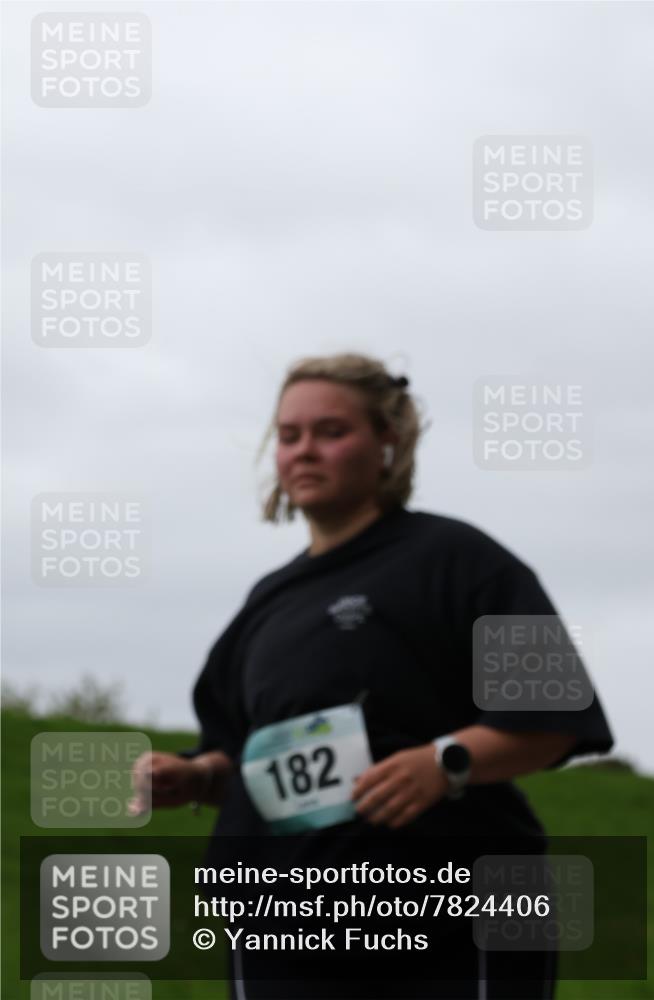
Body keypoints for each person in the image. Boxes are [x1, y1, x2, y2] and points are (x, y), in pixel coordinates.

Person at [131, 353, 614, 1000]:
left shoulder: (460, 561)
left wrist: (444, 763)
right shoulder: (267, 603)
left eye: (331, 432)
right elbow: (243, 752)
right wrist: (196, 776)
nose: (304, 452)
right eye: (288, 435)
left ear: (388, 444)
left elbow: (555, 722)